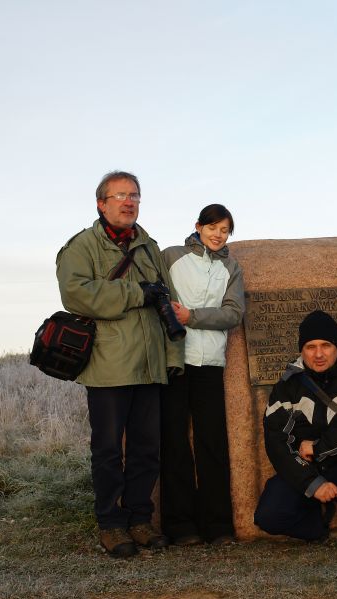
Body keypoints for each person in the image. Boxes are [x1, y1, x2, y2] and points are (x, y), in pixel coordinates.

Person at [56, 171, 184, 558]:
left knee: (147, 449)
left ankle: (140, 519)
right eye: (120, 196)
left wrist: (173, 357)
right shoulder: (81, 247)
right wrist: (134, 292)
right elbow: (76, 294)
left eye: (135, 196)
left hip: (149, 365)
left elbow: (169, 304)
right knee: (109, 450)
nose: (129, 202)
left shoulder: (149, 247)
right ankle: (111, 525)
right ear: (101, 203)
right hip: (108, 366)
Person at [254, 310, 337, 553]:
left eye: (326, 345)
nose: (318, 354)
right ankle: (316, 527)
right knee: (268, 516)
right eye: (310, 347)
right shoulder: (286, 386)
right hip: (307, 469)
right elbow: (276, 442)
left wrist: (318, 448)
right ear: (301, 350)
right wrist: (312, 483)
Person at [160, 204, 245, 545]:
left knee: (213, 443)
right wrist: (173, 315)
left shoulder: (231, 266)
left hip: (210, 362)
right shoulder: (171, 256)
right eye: (212, 227)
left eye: (224, 230)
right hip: (175, 359)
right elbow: (157, 295)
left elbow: (234, 313)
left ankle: (218, 525)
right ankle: (180, 525)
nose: (217, 234)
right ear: (198, 226)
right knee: (175, 442)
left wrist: (191, 315)